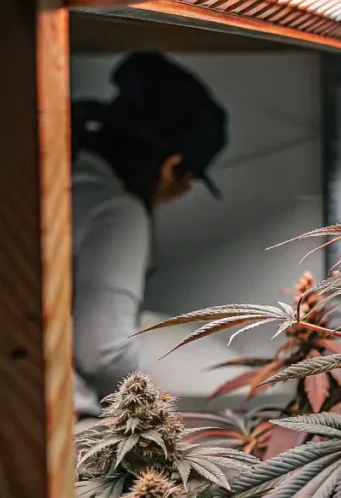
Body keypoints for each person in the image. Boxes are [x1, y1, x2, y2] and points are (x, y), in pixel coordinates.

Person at [71, 53, 227, 424]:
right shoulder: (116, 211)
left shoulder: (68, 175)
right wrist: (162, 420)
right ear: (172, 165)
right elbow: (102, 352)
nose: (181, 193)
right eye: (188, 180)